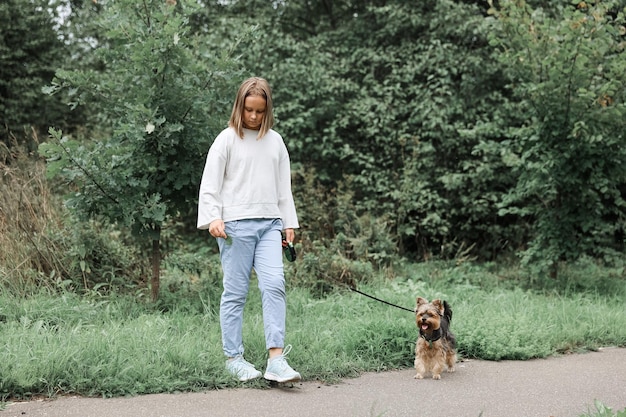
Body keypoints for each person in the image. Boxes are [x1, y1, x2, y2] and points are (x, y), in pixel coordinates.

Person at [197, 77, 301, 383]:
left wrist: (289, 222)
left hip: (270, 224)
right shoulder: (226, 139)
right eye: (248, 110)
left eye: (260, 111)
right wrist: (213, 218)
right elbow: (210, 185)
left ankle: (277, 360)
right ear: (239, 107)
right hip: (235, 227)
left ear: (268, 110)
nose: (254, 117)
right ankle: (234, 358)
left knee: (274, 285)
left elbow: (284, 187)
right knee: (236, 292)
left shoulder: (276, 142)